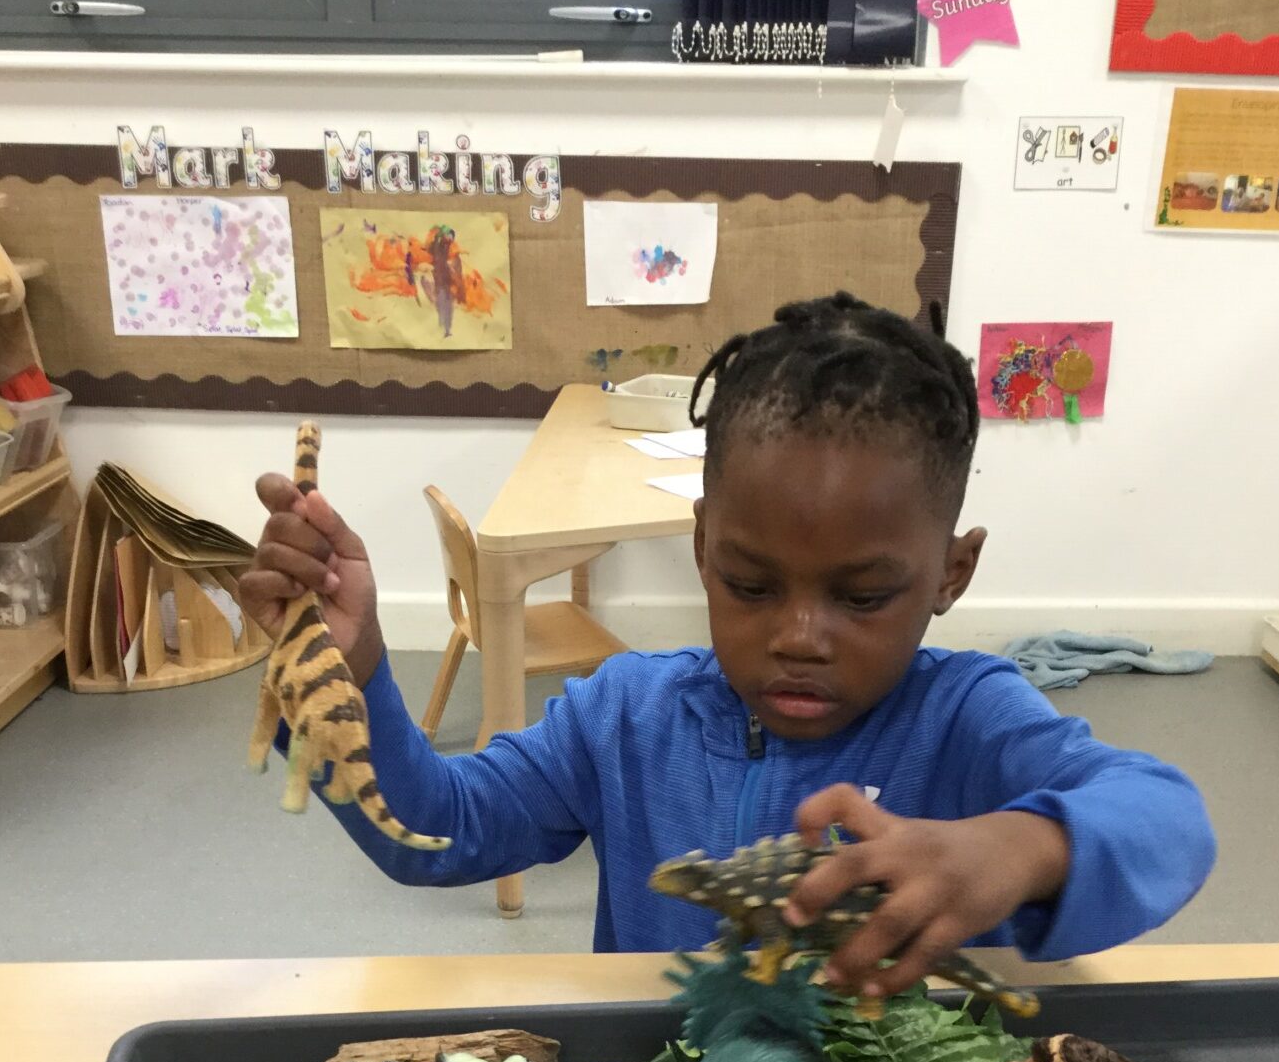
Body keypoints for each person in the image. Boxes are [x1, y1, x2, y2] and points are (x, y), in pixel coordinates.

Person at [241, 291, 1215, 1003]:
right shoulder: (622, 717)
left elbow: (1171, 822)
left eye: (863, 597)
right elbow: (435, 831)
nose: (799, 638)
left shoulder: (971, 719)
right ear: (703, 545)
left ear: (950, 574)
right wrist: (347, 673)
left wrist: (1024, 844)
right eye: (751, 586)